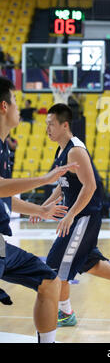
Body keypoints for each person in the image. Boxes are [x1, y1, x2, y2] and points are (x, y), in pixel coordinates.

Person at [40, 103, 110, 327]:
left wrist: (70, 215)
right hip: (78, 216)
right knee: (88, 261)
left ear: (64, 125)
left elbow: (89, 187)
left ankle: (66, 314)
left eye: (51, 124)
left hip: (84, 216)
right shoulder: (61, 150)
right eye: (46, 125)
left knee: (56, 266)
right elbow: (64, 184)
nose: (47, 129)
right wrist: (44, 207)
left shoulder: (75, 150)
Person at [0, 75, 78, 343]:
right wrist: (46, 179)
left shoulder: (4, 148)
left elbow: (5, 198)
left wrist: (41, 210)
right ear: (3, 107)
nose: (20, 108)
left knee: (49, 282)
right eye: (16, 101)